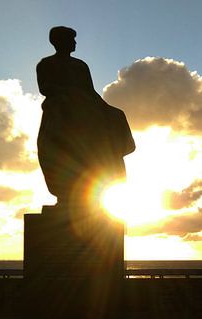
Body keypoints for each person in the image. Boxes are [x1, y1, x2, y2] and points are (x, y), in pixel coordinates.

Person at [36, 26, 135, 210]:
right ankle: (65, 196)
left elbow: (90, 92)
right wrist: (70, 94)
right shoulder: (45, 64)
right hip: (59, 112)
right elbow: (45, 88)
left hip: (84, 110)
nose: (74, 43)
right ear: (59, 41)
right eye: (71, 39)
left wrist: (107, 109)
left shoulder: (80, 66)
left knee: (115, 117)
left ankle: (90, 191)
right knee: (58, 152)